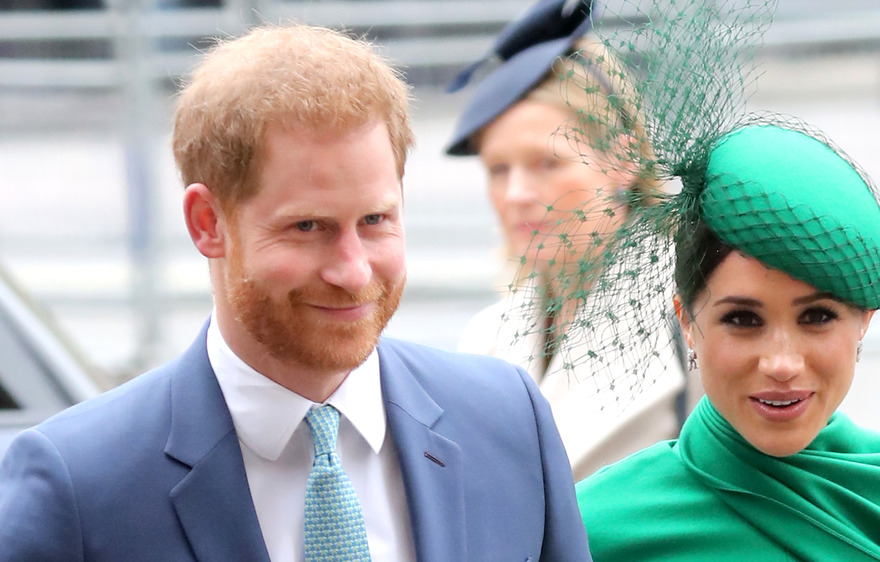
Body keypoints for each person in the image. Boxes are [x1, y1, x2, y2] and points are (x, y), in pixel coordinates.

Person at [0, 24, 591, 561]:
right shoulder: (80, 487)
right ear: (208, 223)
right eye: (309, 227)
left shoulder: (508, 422)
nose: (353, 270)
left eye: (376, 221)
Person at [575, 120, 880, 560]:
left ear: (864, 321)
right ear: (686, 321)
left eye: (817, 316)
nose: (781, 364)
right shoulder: (595, 532)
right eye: (742, 319)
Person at [445, 0, 696, 481]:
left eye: (547, 163)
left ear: (623, 161)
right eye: (498, 170)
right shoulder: (487, 336)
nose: (516, 194)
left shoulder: (697, 315)